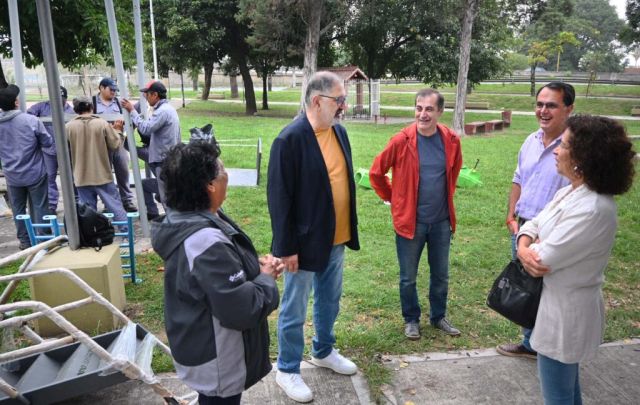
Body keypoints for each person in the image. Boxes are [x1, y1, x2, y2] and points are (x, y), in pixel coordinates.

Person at [516, 115, 635, 404]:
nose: (556, 150)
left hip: (566, 315)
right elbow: (532, 223)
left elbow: (543, 260)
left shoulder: (593, 208)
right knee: (568, 392)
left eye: (565, 145)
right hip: (555, 308)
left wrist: (531, 247)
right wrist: (523, 245)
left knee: (558, 396)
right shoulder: (570, 192)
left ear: (585, 156)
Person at [151, 141, 281, 405]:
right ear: (209, 185)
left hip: (199, 341)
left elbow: (212, 281)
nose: (227, 174)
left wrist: (245, 268)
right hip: (217, 357)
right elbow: (242, 309)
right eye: (222, 169)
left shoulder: (188, 219)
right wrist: (266, 277)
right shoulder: (205, 242)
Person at [267, 71, 360, 403]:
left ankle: (323, 350)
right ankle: (287, 368)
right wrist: (286, 248)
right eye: (340, 100)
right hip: (303, 245)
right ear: (318, 101)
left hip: (336, 238)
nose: (344, 105)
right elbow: (279, 199)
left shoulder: (339, 132)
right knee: (294, 308)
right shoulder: (289, 140)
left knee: (329, 300)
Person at [369, 88, 463, 340]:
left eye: (429, 109)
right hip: (410, 223)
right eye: (419, 108)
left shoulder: (451, 140)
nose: (423, 114)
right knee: (408, 278)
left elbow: (453, 172)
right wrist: (393, 198)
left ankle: (438, 316)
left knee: (441, 275)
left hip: (441, 222)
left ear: (440, 111)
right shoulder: (401, 140)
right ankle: (411, 319)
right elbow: (376, 173)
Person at [497, 82, 575, 359]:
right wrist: (511, 215)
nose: (543, 110)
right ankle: (530, 343)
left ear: (569, 109)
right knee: (527, 288)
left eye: (551, 105)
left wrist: (550, 232)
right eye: (539, 104)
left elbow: (579, 193)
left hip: (555, 232)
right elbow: (518, 178)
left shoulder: (574, 147)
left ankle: (546, 347)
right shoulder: (530, 141)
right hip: (523, 227)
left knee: (549, 291)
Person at [0, 84, 52, 250]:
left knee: (18, 209)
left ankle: (25, 242)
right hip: (35, 172)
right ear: (16, 102)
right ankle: (43, 240)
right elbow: (47, 142)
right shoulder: (31, 121)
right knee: (39, 206)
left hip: (12, 175)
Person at [66, 96, 128, 230]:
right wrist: (118, 131)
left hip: (81, 177)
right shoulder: (102, 124)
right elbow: (115, 145)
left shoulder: (69, 127)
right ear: (92, 107)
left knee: (88, 212)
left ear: (76, 110)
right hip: (102, 175)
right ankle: (126, 233)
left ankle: (93, 235)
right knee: (115, 206)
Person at [121, 80, 181, 206]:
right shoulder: (168, 109)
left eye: (147, 94)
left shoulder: (162, 111)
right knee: (154, 188)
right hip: (167, 158)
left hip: (162, 161)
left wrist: (132, 110)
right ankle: (153, 213)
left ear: (155, 95)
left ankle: (169, 216)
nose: (146, 97)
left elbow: (146, 128)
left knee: (166, 197)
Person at [26, 85, 74, 214]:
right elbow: (28, 117)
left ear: (66, 98)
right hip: (48, 150)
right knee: (49, 178)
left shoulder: (71, 111)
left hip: (67, 151)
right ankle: (51, 206)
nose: (59, 102)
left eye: (62, 99)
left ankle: (74, 204)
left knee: (70, 178)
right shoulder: (41, 107)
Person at [92, 77, 137, 213]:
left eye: (115, 90)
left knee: (123, 171)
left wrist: (123, 130)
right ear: (101, 88)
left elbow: (130, 120)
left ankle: (127, 201)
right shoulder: (92, 103)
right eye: (111, 89)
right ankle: (109, 203)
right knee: (105, 175)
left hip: (119, 142)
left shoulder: (119, 103)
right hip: (101, 144)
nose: (113, 92)